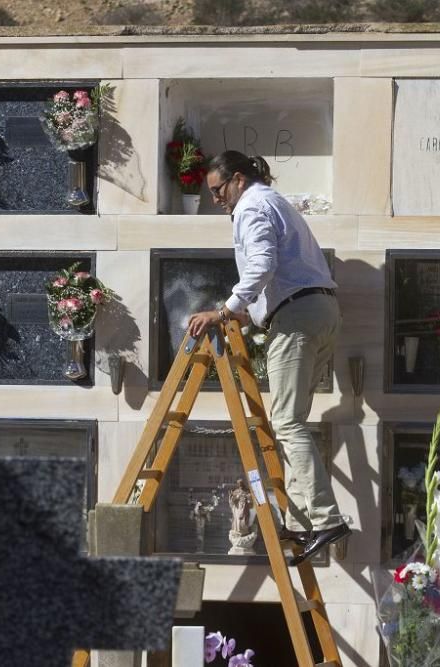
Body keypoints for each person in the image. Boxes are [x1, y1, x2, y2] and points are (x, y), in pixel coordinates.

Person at [187, 150, 349, 566]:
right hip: (320, 312)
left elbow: (261, 264)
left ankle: (326, 520)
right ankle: (297, 523)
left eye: (219, 189)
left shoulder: (252, 206)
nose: (217, 199)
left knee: (287, 422)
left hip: (296, 317)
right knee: (291, 420)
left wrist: (223, 310)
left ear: (238, 179)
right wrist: (248, 314)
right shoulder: (276, 202)